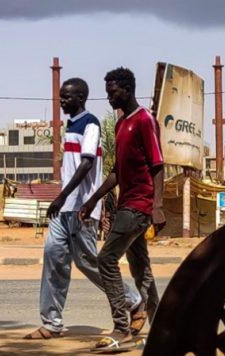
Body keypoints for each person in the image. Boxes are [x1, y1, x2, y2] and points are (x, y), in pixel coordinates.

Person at [25, 77, 142, 340]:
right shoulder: (71, 125)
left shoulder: (90, 123)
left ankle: (133, 301)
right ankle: (51, 322)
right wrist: (62, 199)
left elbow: (87, 164)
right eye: (61, 97)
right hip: (64, 208)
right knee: (54, 258)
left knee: (87, 262)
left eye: (66, 97)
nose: (62, 102)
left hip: (82, 208)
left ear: (80, 98)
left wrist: (62, 196)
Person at [78, 67, 165, 351]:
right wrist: (93, 199)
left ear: (127, 90)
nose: (109, 97)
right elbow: (117, 171)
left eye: (112, 92)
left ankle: (121, 327)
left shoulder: (144, 120)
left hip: (139, 205)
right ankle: (160, 327)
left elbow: (158, 165)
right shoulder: (120, 124)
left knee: (106, 259)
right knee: (141, 268)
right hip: (126, 203)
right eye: (107, 92)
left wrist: (158, 206)